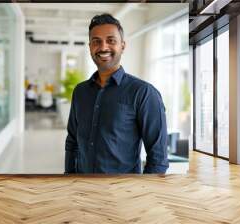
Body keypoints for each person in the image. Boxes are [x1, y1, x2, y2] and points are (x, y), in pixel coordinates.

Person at [65, 13, 169, 174]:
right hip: (82, 190)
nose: (103, 47)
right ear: (90, 47)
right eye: (96, 41)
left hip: (123, 194)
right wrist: (68, 179)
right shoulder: (80, 92)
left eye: (111, 40)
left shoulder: (144, 93)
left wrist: (143, 193)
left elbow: (158, 159)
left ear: (123, 46)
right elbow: (72, 142)